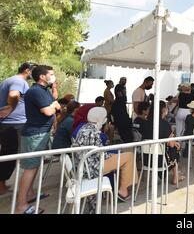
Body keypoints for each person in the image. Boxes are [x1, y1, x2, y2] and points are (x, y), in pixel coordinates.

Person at [15, 65, 61, 214]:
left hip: (41, 133)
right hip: (35, 135)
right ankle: (21, 205)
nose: (53, 76)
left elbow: (54, 102)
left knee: (35, 166)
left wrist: (54, 95)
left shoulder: (43, 90)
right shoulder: (35, 91)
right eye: (51, 74)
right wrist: (53, 106)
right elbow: (48, 110)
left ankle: (30, 194)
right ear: (42, 76)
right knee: (30, 168)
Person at [72, 107, 137, 204]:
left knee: (122, 155)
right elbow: (102, 154)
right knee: (129, 156)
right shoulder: (92, 132)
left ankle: (122, 186)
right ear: (99, 119)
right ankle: (123, 191)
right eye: (104, 118)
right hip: (93, 167)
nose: (106, 120)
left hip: (86, 164)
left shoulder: (85, 128)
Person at [0, 62, 36, 196]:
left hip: (8, 123)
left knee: (7, 153)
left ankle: (2, 184)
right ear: (27, 70)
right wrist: (11, 107)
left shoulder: (9, 79)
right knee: (10, 155)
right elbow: (14, 94)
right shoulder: (19, 81)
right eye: (34, 71)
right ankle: (2, 186)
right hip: (14, 124)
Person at [135, 101, 183, 185]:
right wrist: (174, 142)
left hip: (147, 159)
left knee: (170, 146)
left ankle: (164, 174)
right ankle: (175, 177)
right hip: (161, 160)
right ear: (164, 109)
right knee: (175, 148)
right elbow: (171, 144)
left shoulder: (144, 123)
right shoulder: (165, 124)